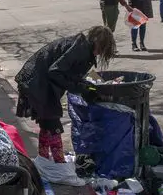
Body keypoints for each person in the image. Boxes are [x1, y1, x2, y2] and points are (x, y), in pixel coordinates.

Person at [14, 26, 117, 162]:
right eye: (101, 49)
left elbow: (71, 74)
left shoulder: (83, 48)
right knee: (53, 124)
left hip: (39, 82)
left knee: (47, 124)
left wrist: (86, 87)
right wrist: (78, 88)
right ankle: (59, 163)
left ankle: (43, 161)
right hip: (37, 83)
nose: (99, 53)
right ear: (97, 43)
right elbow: (55, 72)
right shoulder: (80, 49)